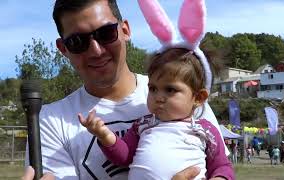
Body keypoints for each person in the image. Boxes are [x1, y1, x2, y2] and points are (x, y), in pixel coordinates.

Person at [23, 0, 229, 179]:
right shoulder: (49, 121)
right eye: (78, 42)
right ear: (63, 49)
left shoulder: (187, 96)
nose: (96, 50)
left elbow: (221, 168)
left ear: (125, 30)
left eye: (105, 33)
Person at [80, 48, 234, 179]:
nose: (158, 97)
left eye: (170, 90)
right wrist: (105, 136)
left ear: (199, 98)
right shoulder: (143, 125)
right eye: (153, 88)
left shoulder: (204, 130)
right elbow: (124, 157)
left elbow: (222, 166)